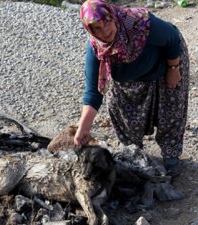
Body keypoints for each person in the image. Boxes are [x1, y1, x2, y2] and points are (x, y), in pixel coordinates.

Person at [74, 0, 189, 177]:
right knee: (122, 109)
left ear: (113, 17)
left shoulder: (140, 23)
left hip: (165, 62)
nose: (104, 32)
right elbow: (93, 91)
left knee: (170, 110)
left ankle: (171, 157)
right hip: (129, 76)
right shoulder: (97, 48)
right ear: (90, 30)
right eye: (97, 28)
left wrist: (174, 69)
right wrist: (83, 128)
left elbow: (171, 38)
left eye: (106, 23)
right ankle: (133, 152)